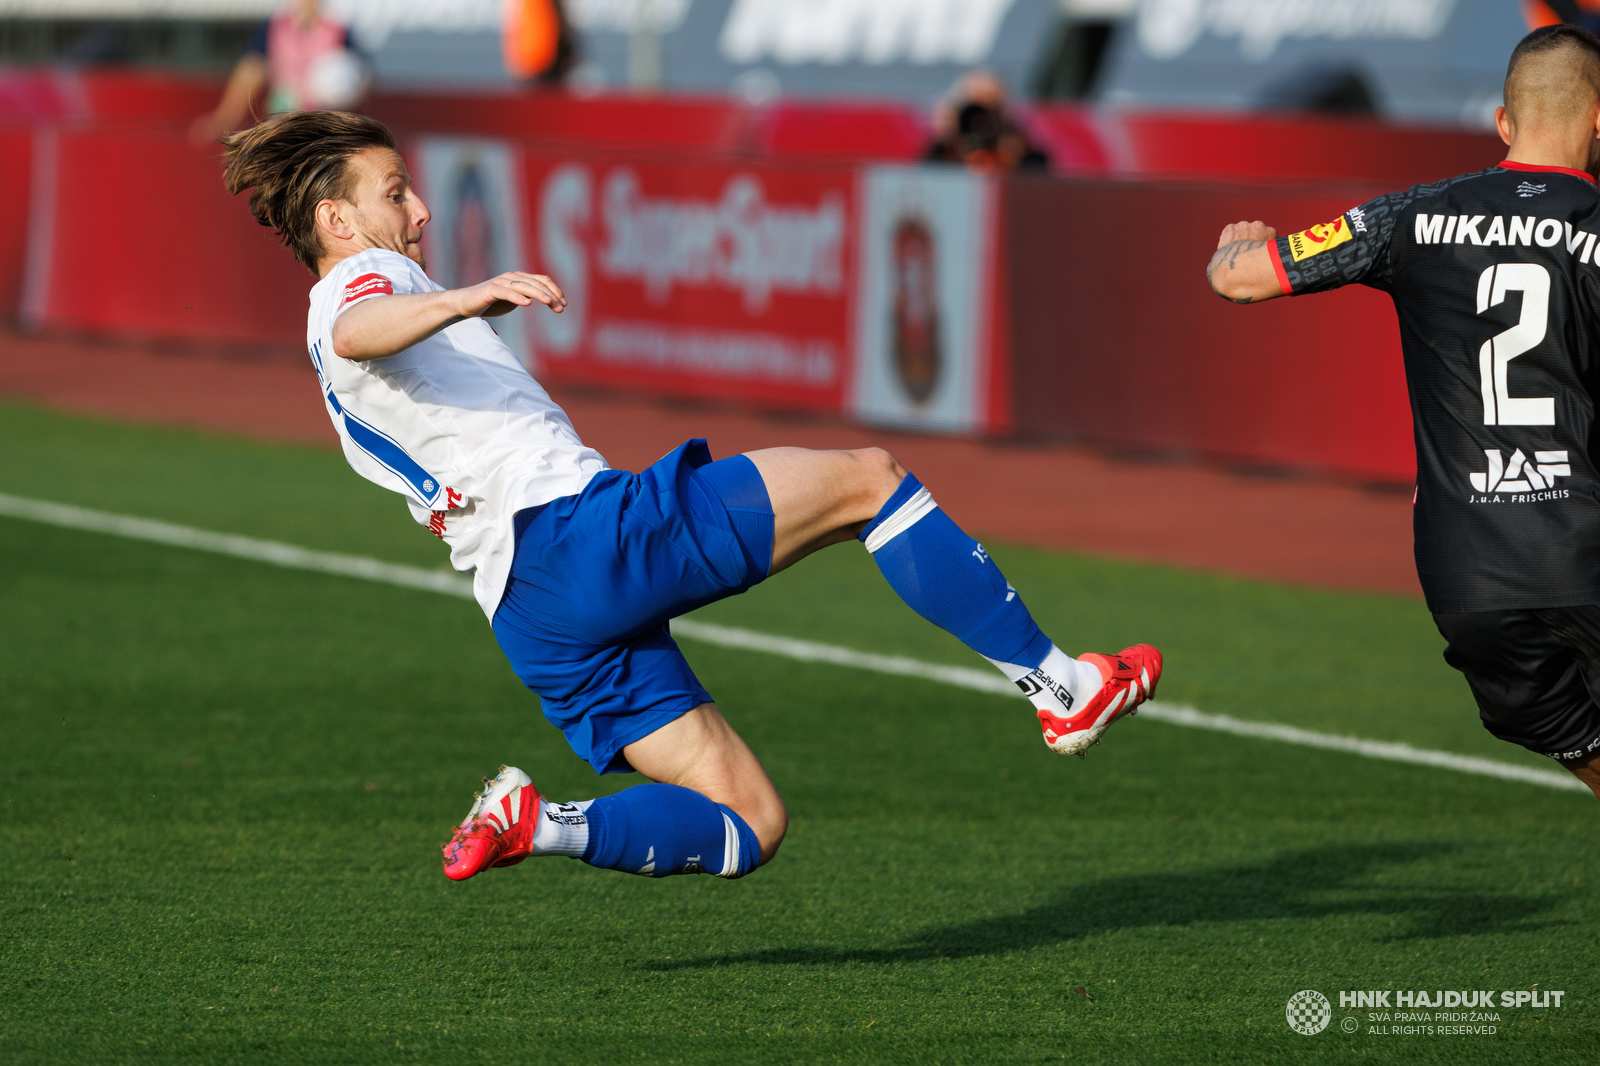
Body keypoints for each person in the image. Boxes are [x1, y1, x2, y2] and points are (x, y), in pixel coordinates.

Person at [220, 110, 1161, 883]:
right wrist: (469, 297)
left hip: (531, 616)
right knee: (872, 480)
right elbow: (361, 326)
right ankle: (1065, 686)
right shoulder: (361, 280)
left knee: (749, 822)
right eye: (394, 194)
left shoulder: (358, 302)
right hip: (583, 536)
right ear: (339, 223)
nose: (419, 210)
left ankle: (539, 823)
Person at [1205, 24, 1600, 801]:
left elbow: (1243, 281)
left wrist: (1232, 248)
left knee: (1584, 747)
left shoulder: (1412, 217)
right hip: (1583, 543)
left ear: (1504, 124)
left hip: (1469, 576)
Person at [191, 0, 364, 145]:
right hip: (282, 122)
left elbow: (357, 80)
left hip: (324, 128)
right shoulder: (274, 26)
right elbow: (252, 68)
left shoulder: (340, 32)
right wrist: (226, 117)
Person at [924, 71, 1049, 172]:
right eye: (974, 111)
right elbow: (928, 174)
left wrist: (1013, 158)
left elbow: (1039, 174)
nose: (981, 120)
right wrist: (947, 141)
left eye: (990, 110)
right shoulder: (949, 147)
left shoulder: (1016, 146)